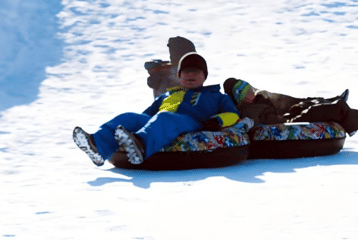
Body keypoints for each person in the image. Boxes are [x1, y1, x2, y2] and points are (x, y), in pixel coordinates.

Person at [73, 52, 240, 166]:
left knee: (165, 118)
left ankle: (141, 146)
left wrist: (217, 120)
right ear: (180, 76)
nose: (191, 75)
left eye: (195, 71)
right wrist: (135, 124)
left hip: (193, 123)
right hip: (165, 120)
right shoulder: (168, 95)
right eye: (186, 72)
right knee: (130, 117)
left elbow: (233, 115)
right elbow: (146, 116)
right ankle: (97, 146)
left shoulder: (216, 96)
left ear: (204, 75)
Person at [223, 78, 358, 137]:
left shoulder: (257, 100)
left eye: (249, 86)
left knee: (306, 104)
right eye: (245, 91)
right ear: (241, 98)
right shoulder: (247, 111)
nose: (251, 90)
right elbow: (251, 123)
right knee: (330, 109)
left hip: (283, 117)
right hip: (282, 124)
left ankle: (354, 120)